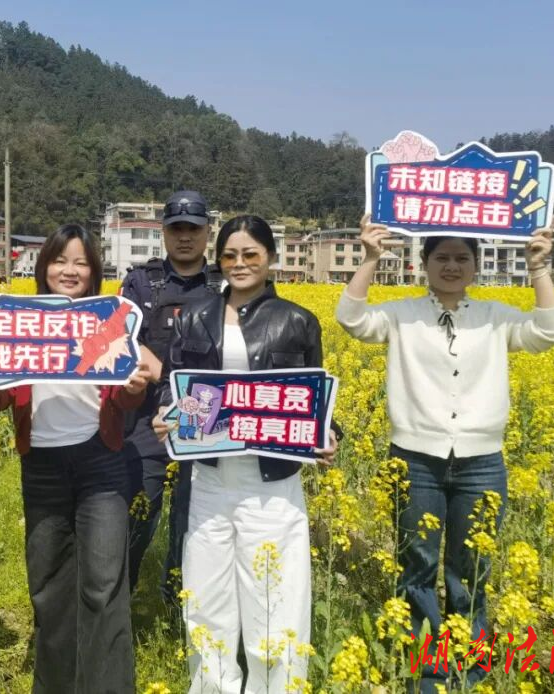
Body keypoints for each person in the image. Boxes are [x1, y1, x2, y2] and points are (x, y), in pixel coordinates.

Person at [335, 216, 554, 693]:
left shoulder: (495, 317)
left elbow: (550, 332)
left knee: (472, 567)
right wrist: (371, 258)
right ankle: (428, 667)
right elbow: (352, 319)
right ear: (423, 263)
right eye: (441, 257)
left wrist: (539, 269)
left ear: (476, 266)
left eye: (462, 258)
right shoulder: (402, 314)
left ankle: (471, 665)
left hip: (482, 461)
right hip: (414, 458)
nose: (451, 266)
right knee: (417, 565)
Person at [153, 215, 336, 693]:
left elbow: (314, 399)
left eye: (250, 254)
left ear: (270, 258)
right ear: (219, 260)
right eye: (230, 255)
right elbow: (174, 386)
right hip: (210, 481)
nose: (239, 263)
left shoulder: (298, 321)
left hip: (270, 486)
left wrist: (327, 434)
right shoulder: (194, 317)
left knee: (274, 602)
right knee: (207, 600)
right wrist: (166, 414)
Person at [0, 224, 151, 694]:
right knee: (49, 587)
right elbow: (3, 395)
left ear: (94, 271)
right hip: (43, 467)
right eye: (60, 260)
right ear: (43, 265)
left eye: (81, 262)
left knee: (104, 585)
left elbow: (123, 397)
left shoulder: (108, 320)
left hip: (101, 463)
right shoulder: (19, 321)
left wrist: (134, 389)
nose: (69, 271)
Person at [120, 189, 224, 602]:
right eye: (176, 228)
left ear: (207, 232)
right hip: (147, 421)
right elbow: (120, 339)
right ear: (163, 232)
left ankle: (177, 602)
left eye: (193, 229)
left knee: (194, 517)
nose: (185, 237)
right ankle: (120, 596)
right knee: (137, 512)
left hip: (206, 420)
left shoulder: (224, 284)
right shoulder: (141, 282)